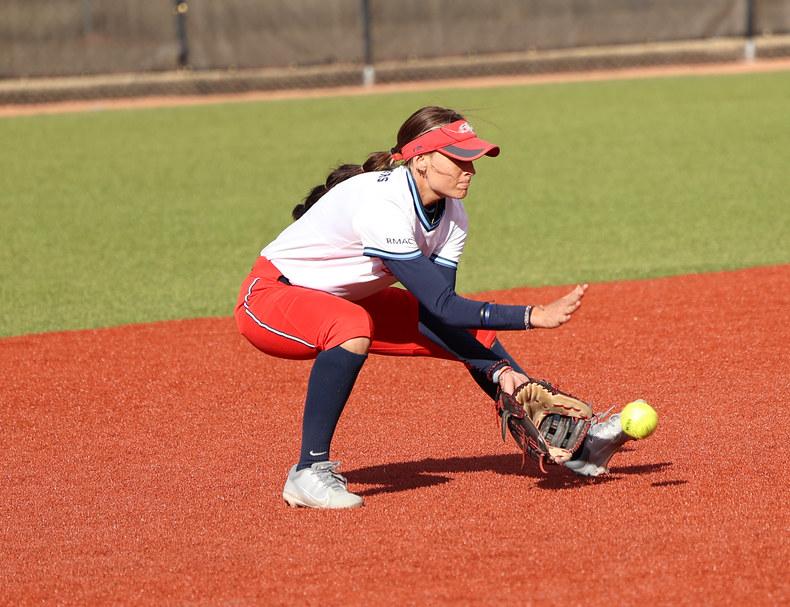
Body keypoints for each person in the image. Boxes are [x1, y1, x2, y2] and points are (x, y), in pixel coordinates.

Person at [235, 106, 631, 509]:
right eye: (459, 160)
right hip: (270, 298)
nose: (470, 170)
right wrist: (532, 316)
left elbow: (440, 313)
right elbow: (444, 303)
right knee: (350, 324)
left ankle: (576, 444)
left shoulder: (452, 215)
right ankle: (309, 471)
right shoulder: (383, 205)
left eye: (473, 159)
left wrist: (498, 368)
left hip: (344, 300)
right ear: (420, 161)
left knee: (476, 340)